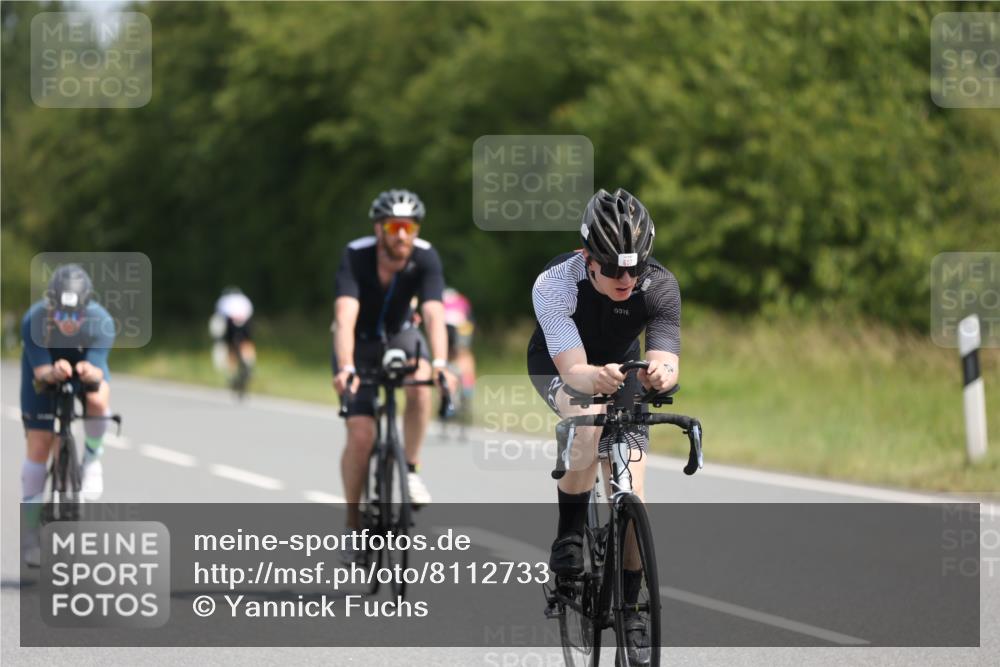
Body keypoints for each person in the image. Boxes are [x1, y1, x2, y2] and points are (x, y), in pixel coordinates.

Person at [527, 188, 680, 664]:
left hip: (624, 366)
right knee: (588, 420)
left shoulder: (660, 286)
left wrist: (659, 373)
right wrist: (594, 379)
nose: (625, 278)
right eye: (613, 268)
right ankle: (570, 533)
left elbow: (667, 360)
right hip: (561, 365)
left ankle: (632, 610)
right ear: (588, 257)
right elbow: (575, 370)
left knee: (632, 484)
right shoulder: (554, 284)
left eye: (634, 268)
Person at [332, 189, 454, 562]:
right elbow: (344, 317)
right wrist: (347, 367)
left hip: (401, 335)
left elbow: (434, 314)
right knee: (361, 433)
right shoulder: (357, 256)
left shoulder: (425, 257)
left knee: (420, 388)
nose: (402, 235)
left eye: (409, 227)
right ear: (379, 228)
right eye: (394, 226)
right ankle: (354, 526)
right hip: (358, 343)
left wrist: (440, 365)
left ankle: (411, 469)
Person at [19, 264, 115, 566]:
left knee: (98, 402)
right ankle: (30, 533)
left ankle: (91, 457)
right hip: (44, 373)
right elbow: (40, 373)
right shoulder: (34, 321)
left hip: (82, 367)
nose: (69, 322)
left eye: (76, 315)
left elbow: (99, 368)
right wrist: (52, 372)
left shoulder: (102, 321)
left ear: (87, 309)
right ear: (51, 308)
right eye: (62, 315)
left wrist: (89, 370)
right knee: (39, 445)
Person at [209, 286, 256, 388]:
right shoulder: (244, 299)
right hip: (245, 321)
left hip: (231, 322)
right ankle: (249, 363)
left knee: (231, 348)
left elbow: (219, 316)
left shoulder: (223, 300)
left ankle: (232, 374)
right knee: (246, 343)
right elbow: (250, 312)